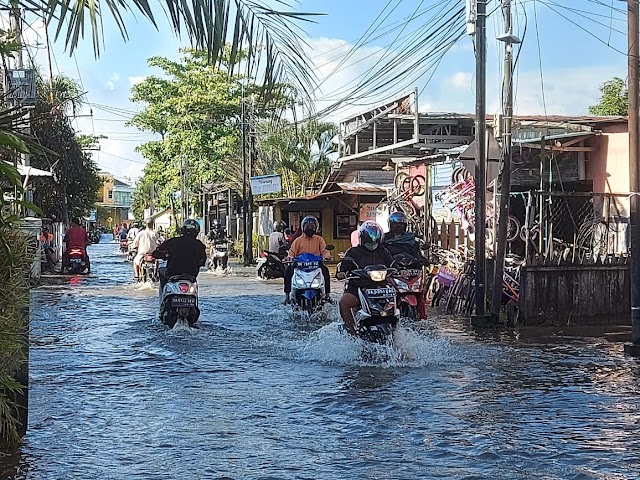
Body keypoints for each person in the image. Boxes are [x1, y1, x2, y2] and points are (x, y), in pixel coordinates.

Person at [337, 221, 394, 335]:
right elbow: (344, 265)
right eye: (369, 237)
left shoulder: (383, 251)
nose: (372, 240)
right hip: (358, 286)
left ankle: (397, 329)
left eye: (375, 237)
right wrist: (342, 272)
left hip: (381, 288)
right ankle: (351, 332)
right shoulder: (354, 252)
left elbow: (392, 264)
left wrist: (400, 270)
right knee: (344, 303)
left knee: (397, 301)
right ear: (362, 238)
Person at [383, 211, 429, 320]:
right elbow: (381, 255)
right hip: (393, 272)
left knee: (420, 293)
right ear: (390, 224)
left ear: (405, 225)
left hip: (411, 271)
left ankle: (422, 316)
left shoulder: (411, 238)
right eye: (395, 223)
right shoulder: (384, 239)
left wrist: (422, 260)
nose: (398, 226)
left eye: (400, 223)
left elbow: (417, 253)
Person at [283, 215, 332, 304]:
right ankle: (287, 296)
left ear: (316, 228)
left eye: (312, 227)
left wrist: (327, 256)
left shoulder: (319, 239)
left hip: (316, 264)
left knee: (325, 271)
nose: (310, 228)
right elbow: (292, 251)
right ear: (303, 227)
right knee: (288, 271)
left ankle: (327, 295)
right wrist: (289, 257)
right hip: (300, 265)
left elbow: (324, 250)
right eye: (307, 227)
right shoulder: (298, 240)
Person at [152, 219, 207, 292]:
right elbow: (203, 261)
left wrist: (164, 256)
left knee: (161, 270)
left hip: (172, 273)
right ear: (197, 231)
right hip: (191, 275)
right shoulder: (200, 245)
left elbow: (155, 253)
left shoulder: (173, 241)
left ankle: (163, 294)